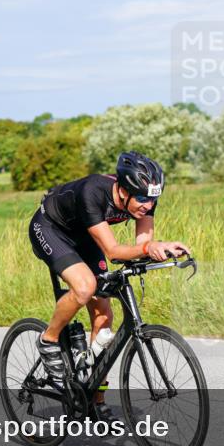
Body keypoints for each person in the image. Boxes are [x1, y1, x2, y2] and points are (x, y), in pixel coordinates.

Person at [28, 151, 190, 424]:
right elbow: (114, 251)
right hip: (52, 229)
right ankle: (49, 339)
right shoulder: (93, 192)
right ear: (123, 190)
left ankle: (95, 402)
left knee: (104, 319)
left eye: (153, 200)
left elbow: (142, 245)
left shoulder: (145, 200)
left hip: (87, 235)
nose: (147, 206)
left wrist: (162, 250)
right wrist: (149, 247)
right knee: (84, 287)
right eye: (142, 199)